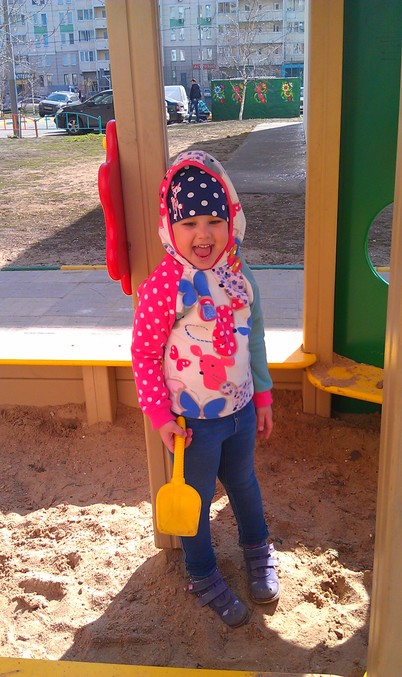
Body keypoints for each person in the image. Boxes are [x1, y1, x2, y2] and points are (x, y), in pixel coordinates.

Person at [131, 150, 280, 628]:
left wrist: (262, 395)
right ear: (170, 226)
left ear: (231, 219)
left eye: (215, 220)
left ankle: (257, 550)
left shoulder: (239, 275)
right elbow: (144, 355)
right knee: (193, 499)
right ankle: (202, 573)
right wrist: (159, 418)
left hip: (239, 412)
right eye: (190, 222)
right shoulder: (164, 286)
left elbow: (254, 338)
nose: (203, 234)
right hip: (190, 424)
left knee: (244, 482)